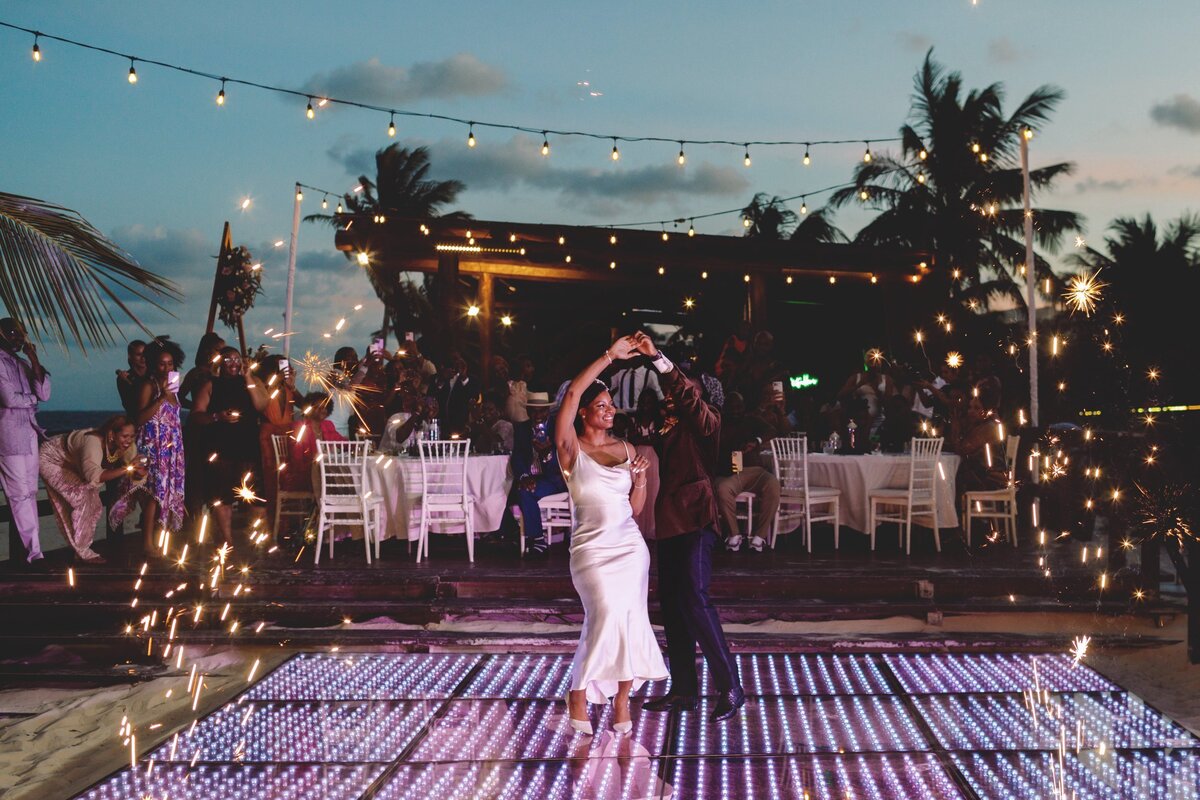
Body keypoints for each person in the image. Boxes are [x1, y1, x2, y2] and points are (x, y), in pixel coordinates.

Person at [629, 331, 745, 723]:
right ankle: (684, 691)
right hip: (669, 521)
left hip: (696, 518)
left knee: (696, 599)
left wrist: (659, 360)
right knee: (674, 608)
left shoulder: (707, 422)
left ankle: (730, 686)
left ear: (699, 397)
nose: (672, 395)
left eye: (682, 391)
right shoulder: (670, 425)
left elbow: (687, 397)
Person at [555, 339, 667, 735]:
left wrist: (640, 480)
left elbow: (635, 510)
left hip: (629, 547)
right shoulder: (570, 448)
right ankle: (578, 692)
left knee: (632, 621)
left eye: (611, 405)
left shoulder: (627, 447)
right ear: (583, 412)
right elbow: (570, 392)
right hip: (590, 549)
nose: (609, 410)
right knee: (603, 617)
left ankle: (622, 701)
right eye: (600, 405)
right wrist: (608, 356)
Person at [109, 339, 185, 552]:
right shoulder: (148, 385)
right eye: (162, 364)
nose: (167, 368)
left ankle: (162, 542)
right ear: (153, 364)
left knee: (167, 493)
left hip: (171, 446)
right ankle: (147, 543)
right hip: (152, 445)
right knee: (152, 494)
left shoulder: (173, 384)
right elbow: (139, 418)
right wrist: (161, 398)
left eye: (170, 364)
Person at [189, 347, 266, 546]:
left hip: (248, 446)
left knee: (256, 495)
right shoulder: (210, 385)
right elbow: (197, 414)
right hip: (220, 448)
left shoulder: (253, 382)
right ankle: (227, 540)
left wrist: (248, 377)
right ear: (220, 363)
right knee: (222, 496)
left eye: (237, 359)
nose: (233, 363)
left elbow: (261, 406)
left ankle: (255, 538)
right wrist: (217, 416)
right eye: (228, 359)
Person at [39, 415, 143, 563]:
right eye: (125, 436)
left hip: (73, 463)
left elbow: (136, 476)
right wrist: (127, 468)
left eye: (132, 436)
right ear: (112, 434)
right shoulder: (93, 443)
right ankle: (83, 552)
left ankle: (81, 550)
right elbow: (93, 477)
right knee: (84, 500)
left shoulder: (127, 446)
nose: (129, 440)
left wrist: (140, 472)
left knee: (93, 504)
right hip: (51, 459)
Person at [0, 318, 50, 566]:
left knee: (30, 492)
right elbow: (9, 399)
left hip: (29, 434)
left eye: (22, 335)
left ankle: (34, 550)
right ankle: (34, 553)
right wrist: (31, 399)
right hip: (7, 437)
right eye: (14, 334)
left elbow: (44, 393)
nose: (19, 339)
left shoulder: (21, 364)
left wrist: (34, 360)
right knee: (18, 494)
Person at [714, 391, 781, 552]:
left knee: (773, 484)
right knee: (722, 489)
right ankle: (734, 535)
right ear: (725, 408)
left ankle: (759, 537)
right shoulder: (720, 423)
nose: (736, 411)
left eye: (739, 407)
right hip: (732, 473)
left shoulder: (751, 420)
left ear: (744, 407)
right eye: (732, 407)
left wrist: (756, 442)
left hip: (755, 471)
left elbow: (772, 430)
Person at [510, 392, 564, 555]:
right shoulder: (522, 428)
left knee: (525, 491)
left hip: (555, 478)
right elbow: (517, 457)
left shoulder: (558, 427)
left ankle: (537, 540)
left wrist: (547, 454)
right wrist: (524, 477)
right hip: (533, 477)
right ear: (528, 411)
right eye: (534, 411)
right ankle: (515, 534)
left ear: (548, 412)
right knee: (513, 490)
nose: (537, 415)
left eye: (541, 411)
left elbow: (565, 459)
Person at [280, 393, 345, 493]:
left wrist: (361, 446)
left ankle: (331, 505)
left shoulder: (328, 425)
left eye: (324, 407)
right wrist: (314, 468)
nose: (322, 410)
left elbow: (342, 442)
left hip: (323, 472)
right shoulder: (299, 426)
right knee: (336, 479)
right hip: (301, 475)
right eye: (317, 407)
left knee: (342, 475)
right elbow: (296, 459)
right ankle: (327, 505)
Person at [257, 355, 298, 514]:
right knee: (271, 475)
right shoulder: (263, 385)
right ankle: (274, 516)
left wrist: (292, 386)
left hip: (288, 434)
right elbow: (261, 404)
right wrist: (274, 382)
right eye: (280, 366)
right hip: (269, 435)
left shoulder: (288, 386)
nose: (283, 369)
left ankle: (288, 517)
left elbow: (303, 404)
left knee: (289, 475)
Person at [434, 352, 478, 437]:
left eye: (457, 360)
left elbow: (473, 397)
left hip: (461, 426)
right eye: (452, 360)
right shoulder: (438, 377)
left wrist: (463, 377)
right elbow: (433, 397)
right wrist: (442, 379)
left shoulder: (471, 380)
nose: (455, 363)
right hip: (441, 426)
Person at [115, 340, 148, 419]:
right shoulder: (124, 378)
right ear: (130, 356)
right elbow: (129, 405)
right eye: (139, 355)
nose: (143, 358)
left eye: (145, 354)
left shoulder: (155, 374)